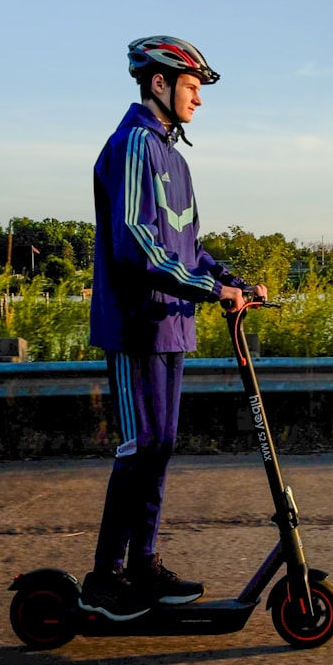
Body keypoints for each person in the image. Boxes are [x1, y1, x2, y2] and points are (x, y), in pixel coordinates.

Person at [81, 35, 266, 621]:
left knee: (160, 448)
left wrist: (231, 279)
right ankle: (104, 578)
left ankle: (145, 565)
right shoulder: (133, 144)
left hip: (171, 326)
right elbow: (136, 242)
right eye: (191, 87)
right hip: (136, 325)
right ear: (158, 84)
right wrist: (211, 289)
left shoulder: (175, 158)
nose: (199, 100)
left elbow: (187, 245)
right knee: (139, 448)